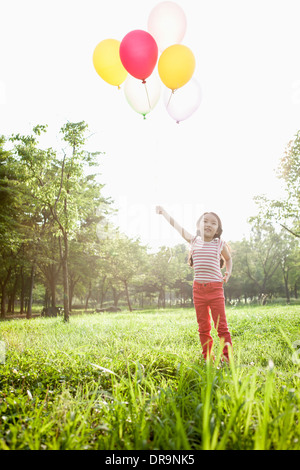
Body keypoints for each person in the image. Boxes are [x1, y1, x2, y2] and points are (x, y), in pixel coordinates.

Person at [156, 206, 232, 363]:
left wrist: (228, 272)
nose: (209, 225)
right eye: (205, 221)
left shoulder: (219, 244)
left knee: (221, 327)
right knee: (203, 327)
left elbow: (229, 258)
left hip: (216, 289)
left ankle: (226, 358)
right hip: (198, 290)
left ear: (218, 229)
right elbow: (177, 227)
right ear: (198, 226)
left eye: (213, 223)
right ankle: (208, 358)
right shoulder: (193, 240)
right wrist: (164, 213)